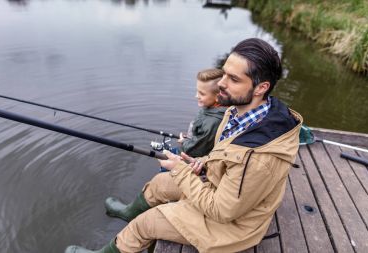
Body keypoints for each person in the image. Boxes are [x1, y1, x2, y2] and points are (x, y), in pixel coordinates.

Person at [65, 38, 303, 253]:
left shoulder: (258, 157)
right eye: (224, 74)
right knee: (160, 183)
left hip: (235, 227)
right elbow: (229, 157)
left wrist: (179, 169)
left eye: (233, 79)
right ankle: (129, 212)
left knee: (146, 224)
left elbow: (223, 210)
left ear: (261, 88)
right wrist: (203, 163)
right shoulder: (236, 111)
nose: (221, 83)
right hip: (224, 192)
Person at [177, 68, 226, 158]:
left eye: (202, 94)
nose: (196, 96)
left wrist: (184, 142)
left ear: (218, 97)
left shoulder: (213, 122)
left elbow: (196, 151)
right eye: (197, 91)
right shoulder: (210, 107)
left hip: (192, 158)